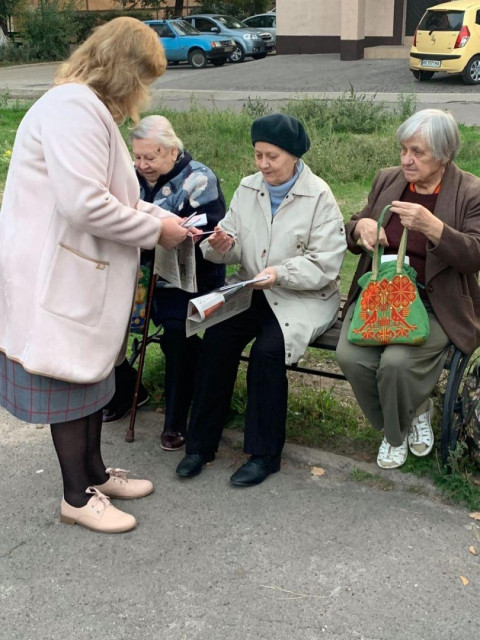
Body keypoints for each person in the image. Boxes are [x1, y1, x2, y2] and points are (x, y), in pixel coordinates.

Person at [0, 18, 194, 534]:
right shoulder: (73, 109)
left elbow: (113, 199)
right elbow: (85, 205)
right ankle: (76, 496)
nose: (145, 93)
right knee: (69, 380)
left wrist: (158, 219)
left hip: (76, 269)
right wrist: (156, 232)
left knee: (88, 380)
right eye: (145, 79)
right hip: (61, 273)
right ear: (125, 71)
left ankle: (94, 474)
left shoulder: (84, 108)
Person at [175, 113, 347, 487]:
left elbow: (327, 265)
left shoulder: (319, 195)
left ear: (294, 156)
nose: (264, 165)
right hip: (251, 287)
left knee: (268, 352)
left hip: (304, 296)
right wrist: (220, 246)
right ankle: (200, 445)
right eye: (258, 155)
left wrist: (281, 272)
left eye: (272, 156)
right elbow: (231, 243)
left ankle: (264, 454)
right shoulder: (249, 187)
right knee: (216, 340)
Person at [336, 109, 480, 470]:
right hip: (380, 295)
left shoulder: (470, 192)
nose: (406, 160)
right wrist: (361, 228)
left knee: (396, 364)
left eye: (418, 152)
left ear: (444, 155)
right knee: (351, 357)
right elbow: (353, 229)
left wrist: (436, 230)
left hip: (435, 304)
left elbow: (474, 257)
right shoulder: (388, 180)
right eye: (403, 149)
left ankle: (392, 436)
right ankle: (414, 413)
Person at [102, 115, 226, 452]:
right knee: (105, 319)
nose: (142, 165)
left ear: (173, 151)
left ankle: (176, 417)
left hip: (190, 280)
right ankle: (128, 388)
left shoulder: (200, 179)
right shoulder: (129, 175)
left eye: (150, 157)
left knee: (176, 330)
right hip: (139, 275)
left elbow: (208, 232)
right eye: (137, 156)